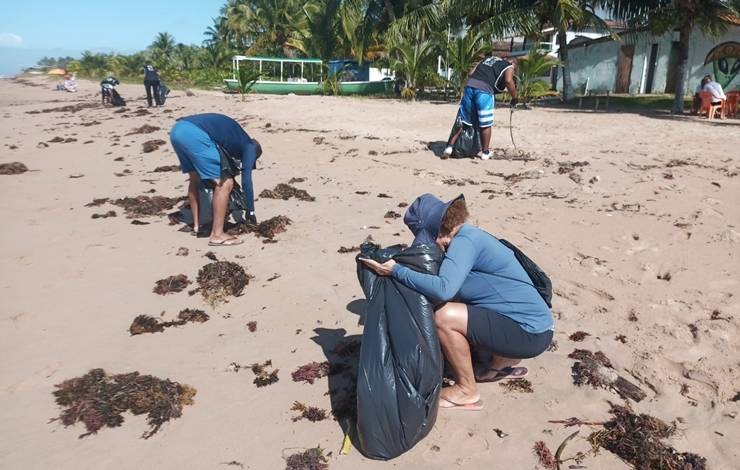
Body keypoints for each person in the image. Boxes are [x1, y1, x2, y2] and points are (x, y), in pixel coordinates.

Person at [361, 194, 553, 410]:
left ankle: (466, 389)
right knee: (462, 303)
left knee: (444, 316)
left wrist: (396, 270)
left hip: (528, 333)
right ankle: (496, 366)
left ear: (437, 231)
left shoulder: (465, 242)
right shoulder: (470, 235)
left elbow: (444, 290)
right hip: (538, 327)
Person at [169, 113, 262, 246]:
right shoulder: (250, 147)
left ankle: (197, 225)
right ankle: (217, 234)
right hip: (196, 134)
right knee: (225, 183)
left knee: (194, 178)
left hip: (178, 130)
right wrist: (250, 211)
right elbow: (246, 181)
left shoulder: (236, 138)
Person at [444, 56, 518, 160]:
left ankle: (449, 147)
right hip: (484, 91)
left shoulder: (488, 59)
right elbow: (508, 81)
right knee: (486, 123)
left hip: (469, 87)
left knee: (464, 120)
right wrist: (514, 97)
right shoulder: (509, 66)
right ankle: (485, 152)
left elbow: (471, 73)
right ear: (513, 64)